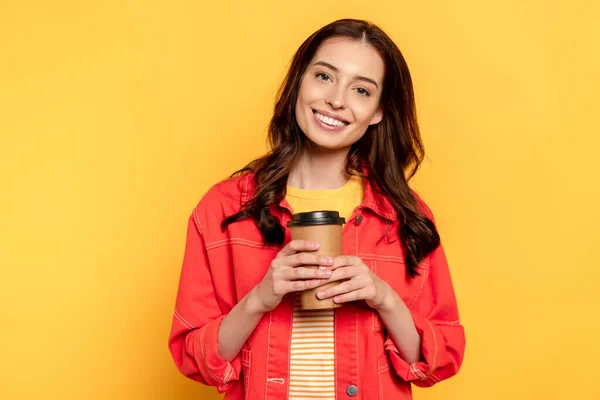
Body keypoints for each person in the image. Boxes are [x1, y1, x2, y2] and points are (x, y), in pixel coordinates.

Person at [168, 18, 465, 400]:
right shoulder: (224, 209)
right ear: (299, 83)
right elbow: (193, 358)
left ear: (377, 111)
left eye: (361, 89)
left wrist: (382, 297)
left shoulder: (405, 218)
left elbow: (438, 360)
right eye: (324, 77)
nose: (337, 100)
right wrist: (260, 297)